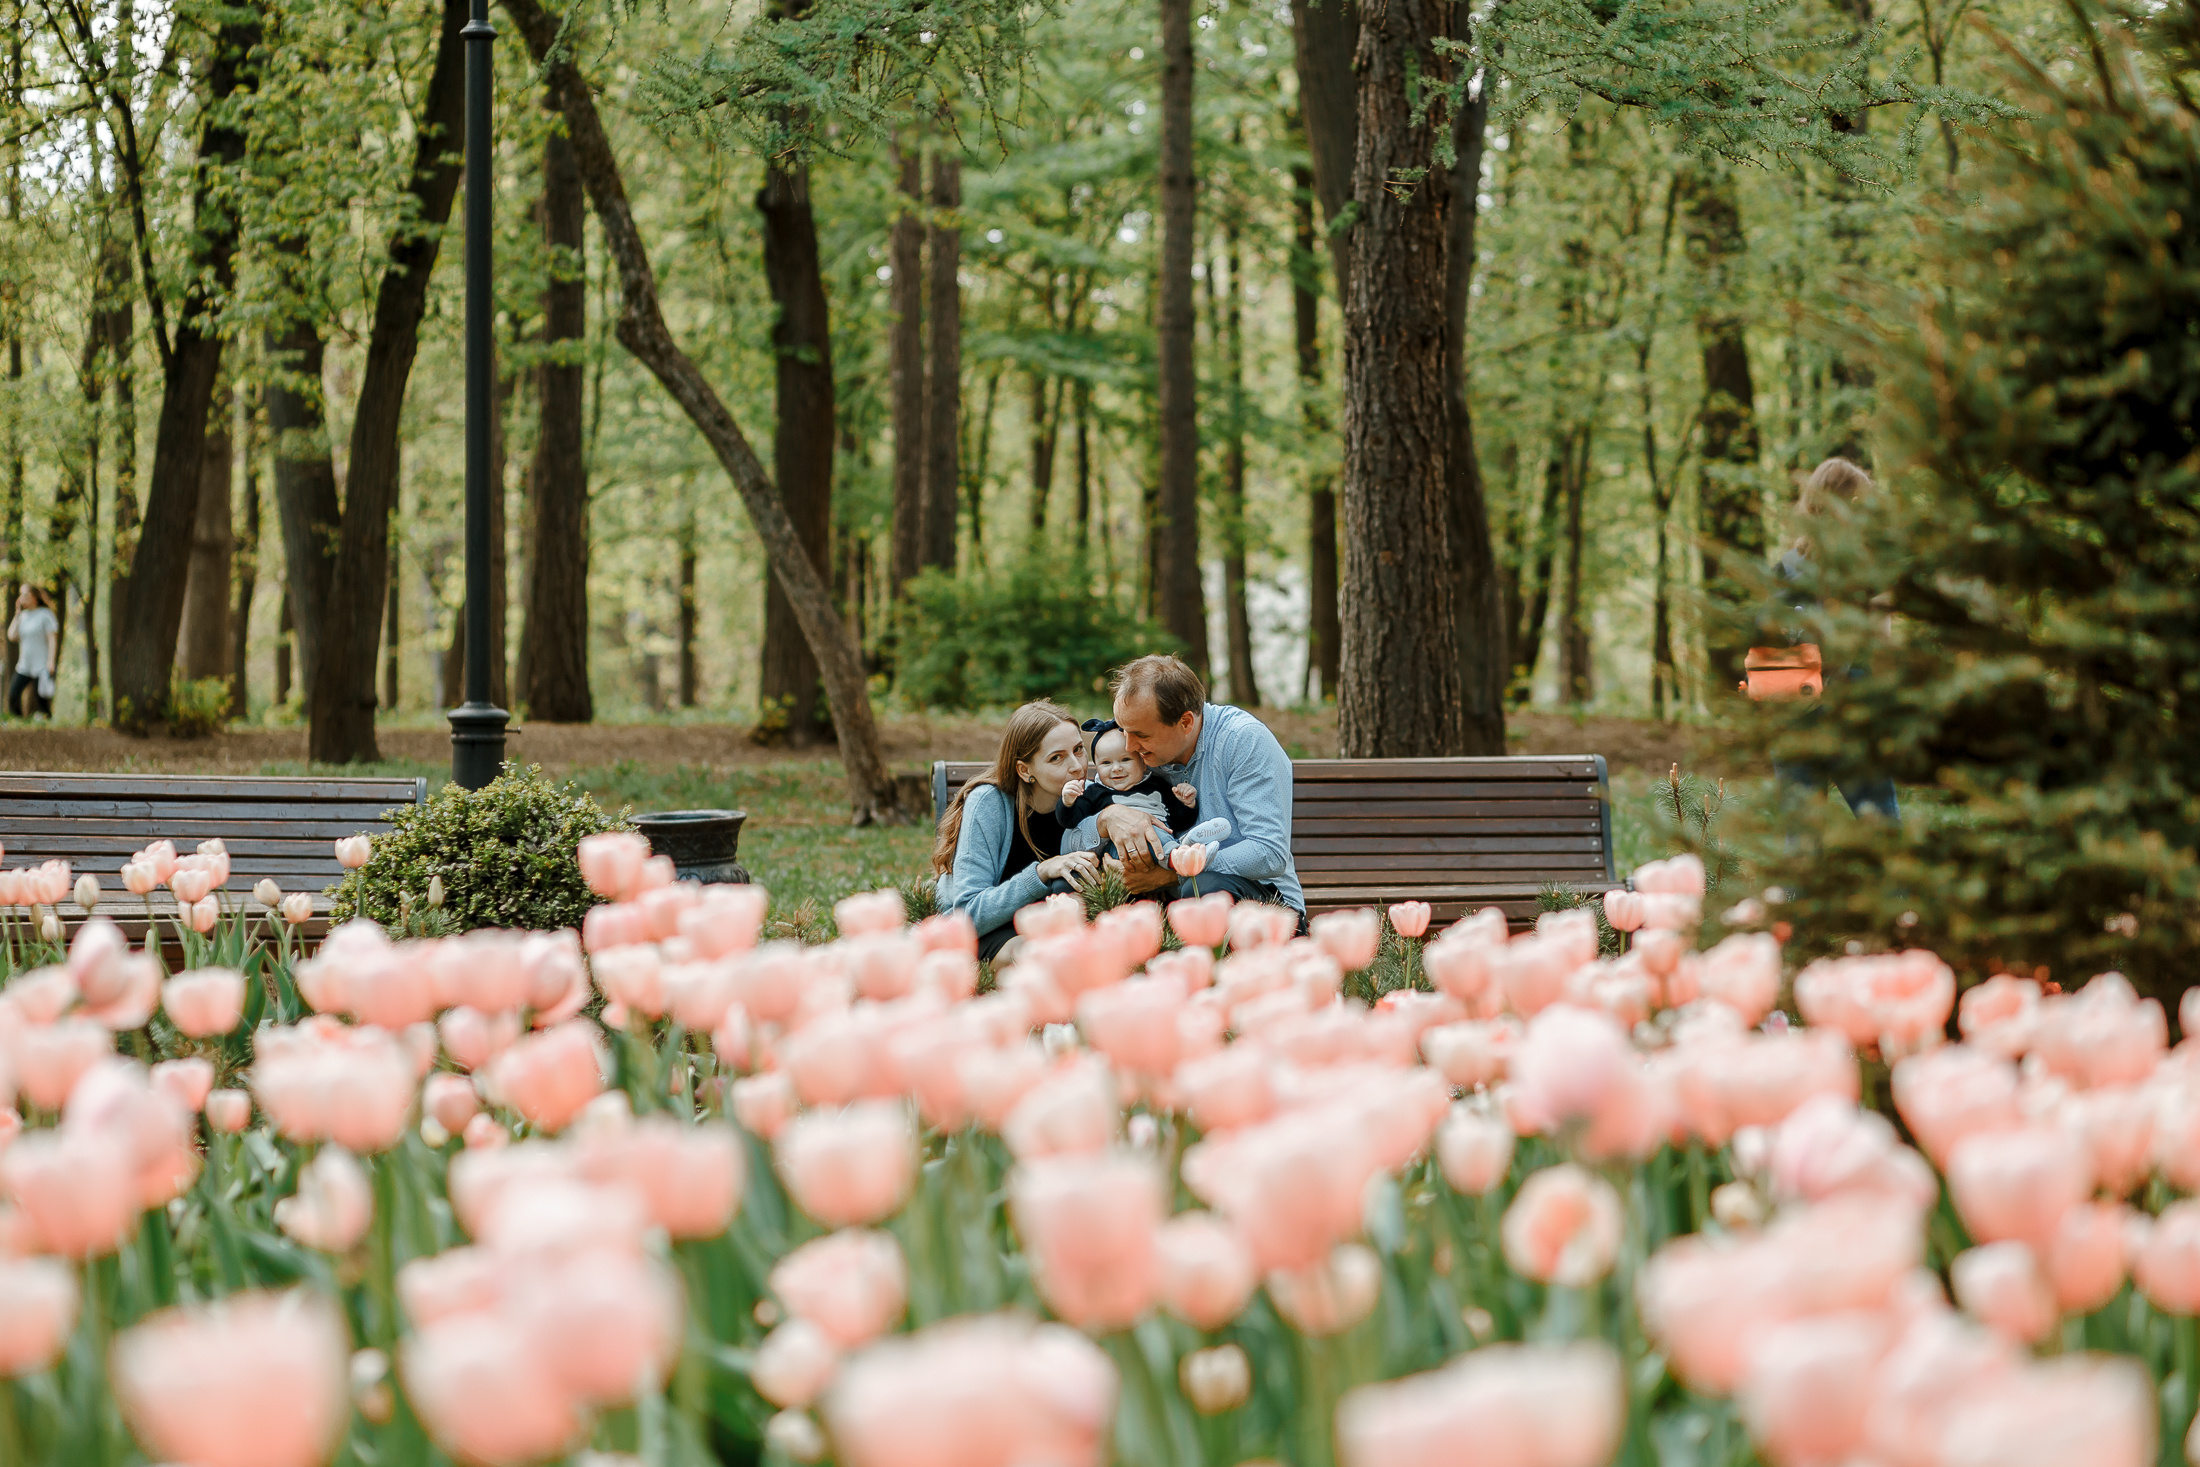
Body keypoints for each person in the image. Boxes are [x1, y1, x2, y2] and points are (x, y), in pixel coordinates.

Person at [1093, 654, 1304, 922]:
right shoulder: (1137, 748)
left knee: (1207, 890)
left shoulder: (1243, 740)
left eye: (1141, 736)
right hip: (1168, 902)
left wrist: (1176, 871)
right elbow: (1090, 802)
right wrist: (1107, 818)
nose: (1128, 747)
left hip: (1264, 905)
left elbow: (1269, 853)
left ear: (1186, 722)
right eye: (1123, 730)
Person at [1769, 456, 1899, 821]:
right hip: (1851, 703)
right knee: (1882, 824)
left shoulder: (1785, 566)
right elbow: (1882, 645)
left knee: (1802, 838)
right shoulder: (1869, 565)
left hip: (1792, 704)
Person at [932, 700, 1102, 963]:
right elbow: (967, 915)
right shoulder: (989, 804)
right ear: (1025, 770)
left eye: (1078, 750)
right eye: (1057, 757)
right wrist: (1041, 873)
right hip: (992, 931)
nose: (1077, 766)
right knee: (1040, 956)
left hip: (1058, 929)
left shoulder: (1089, 796)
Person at [1054, 718, 1205, 850]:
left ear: (1143, 763)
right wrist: (1067, 802)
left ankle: (1191, 847)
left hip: (1162, 839)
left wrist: (1188, 804)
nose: (1116, 768)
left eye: (1125, 760)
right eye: (1106, 763)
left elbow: (1180, 822)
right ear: (1097, 767)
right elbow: (1071, 821)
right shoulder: (1095, 793)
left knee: (1159, 833)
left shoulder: (1157, 785)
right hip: (1120, 850)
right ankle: (1179, 855)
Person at [7, 586, 59, 719]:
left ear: (34, 597)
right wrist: (17, 614)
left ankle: (48, 723)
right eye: (21, 595)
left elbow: (52, 639)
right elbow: (12, 636)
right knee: (13, 695)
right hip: (24, 664)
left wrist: (51, 661)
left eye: (25, 595)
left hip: (41, 665)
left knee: (42, 700)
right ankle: (19, 721)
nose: (22, 598)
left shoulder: (45, 615)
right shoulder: (22, 616)